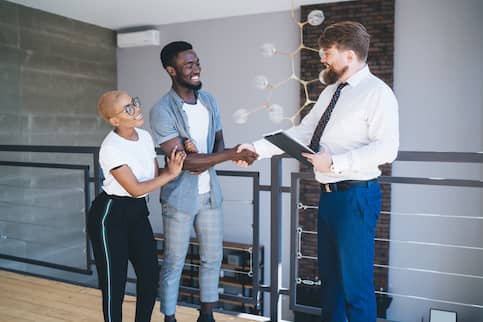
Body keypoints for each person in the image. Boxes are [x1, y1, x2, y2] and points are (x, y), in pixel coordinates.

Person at [237, 22, 399, 322]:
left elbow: (387, 149)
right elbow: (304, 132)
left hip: (356, 198)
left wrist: (334, 162)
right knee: (332, 289)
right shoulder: (330, 92)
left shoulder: (378, 94)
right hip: (330, 199)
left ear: (349, 55)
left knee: (356, 289)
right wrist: (256, 148)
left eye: (328, 53)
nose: (323, 59)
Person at [150, 41, 258, 322]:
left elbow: (218, 142)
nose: (196, 68)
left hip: (210, 195)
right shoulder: (162, 110)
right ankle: (169, 317)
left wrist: (209, 157)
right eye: (188, 64)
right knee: (174, 261)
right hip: (179, 199)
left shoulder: (209, 100)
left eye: (197, 62)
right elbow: (183, 162)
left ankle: (206, 314)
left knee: (213, 257)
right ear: (171, 70)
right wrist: (211, 157)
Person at [88, 90, 186, 322]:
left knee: (150, 275)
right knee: (115, 284)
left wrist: (179, 158)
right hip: (110, 217)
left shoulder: (144, 137)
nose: (136, 108)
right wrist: (171, 174)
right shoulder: (111, 148)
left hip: (137, 213)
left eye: (134, 102)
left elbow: (151, 176)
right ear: (114, 120)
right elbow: (135, 188)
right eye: (128, 108)